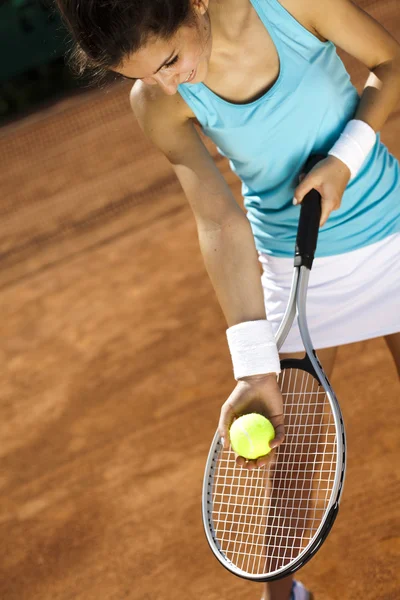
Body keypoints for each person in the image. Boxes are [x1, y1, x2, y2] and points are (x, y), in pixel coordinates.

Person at [55, 0, 400, 598]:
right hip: (291, 271)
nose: (165, 83)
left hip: (391, 237)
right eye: (143, 77)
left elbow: (392, 63)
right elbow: (217, 220)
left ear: (196, 4)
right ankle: (280, 593)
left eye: (168, 60)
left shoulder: (294, 6)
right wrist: (252, 364)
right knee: (291, 460)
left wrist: (343, 160)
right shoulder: (159, 102)